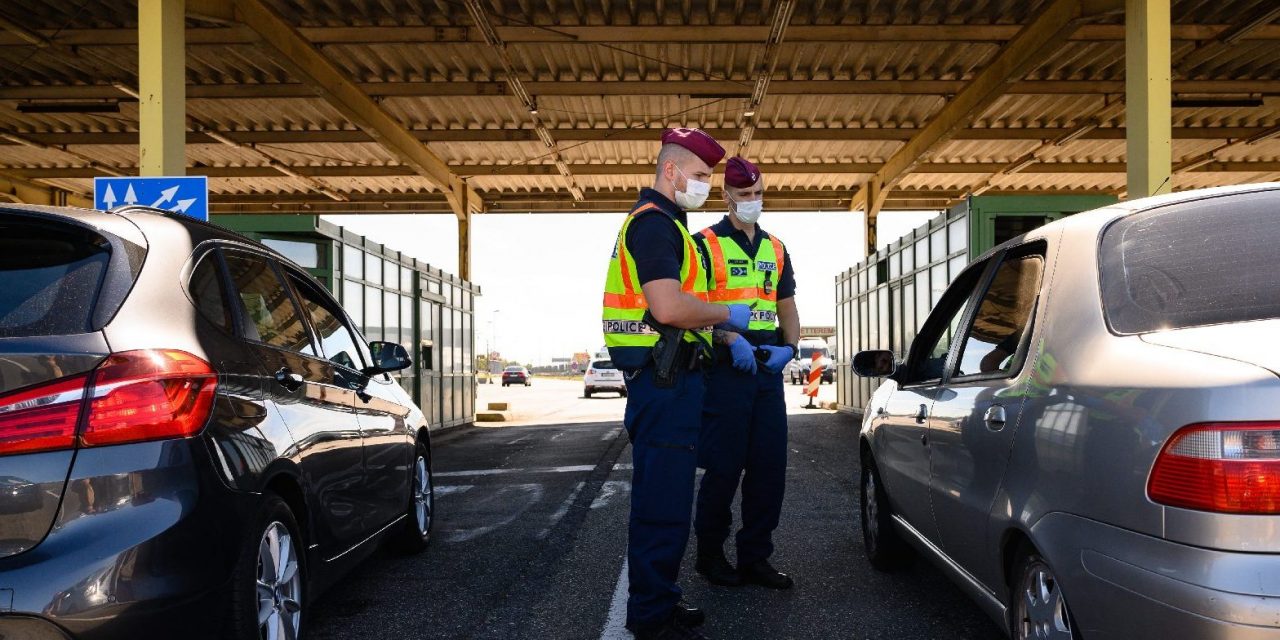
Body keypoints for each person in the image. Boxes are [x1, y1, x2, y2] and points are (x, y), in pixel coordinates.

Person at [602, 127, 752, 640]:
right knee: (662, 505)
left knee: (664, 500)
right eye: (701, 176)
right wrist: (728, 313)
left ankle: (659, 598)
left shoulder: (670, 226)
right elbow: (667, 306)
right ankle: (651, 616)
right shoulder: (655, 226)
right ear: (671, 172)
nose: (706, 186)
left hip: (672, 381)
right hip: (664, 383)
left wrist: (722, 334)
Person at [692, 156, 800, 591]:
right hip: (725, 369)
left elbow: (786, 305)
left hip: (766, 370)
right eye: (744, 196)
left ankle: (756, 557)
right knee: (723, 468)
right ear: (726, 197)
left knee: (768, 468)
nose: (753, 202)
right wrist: (726, 338)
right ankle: (710, 556)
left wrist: (789, 348)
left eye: (758, 194)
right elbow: (689, 310)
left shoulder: (776, 248)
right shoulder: (704, 245)